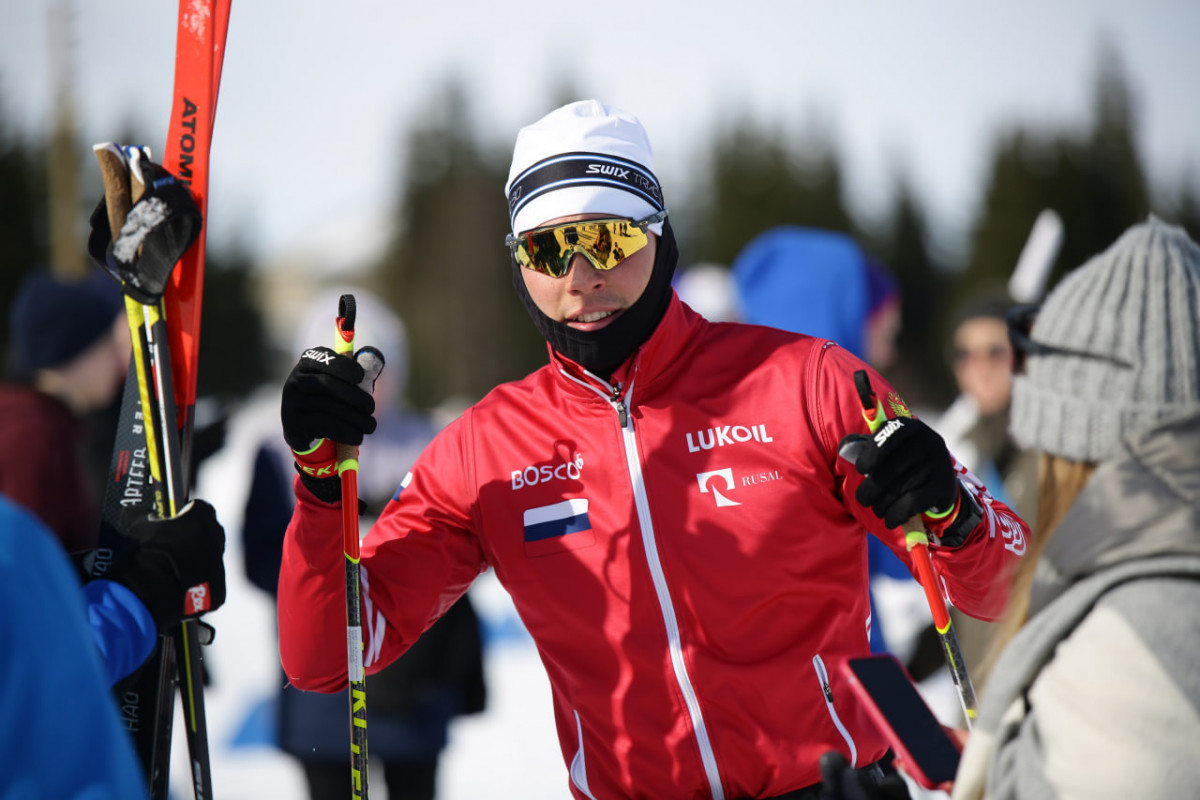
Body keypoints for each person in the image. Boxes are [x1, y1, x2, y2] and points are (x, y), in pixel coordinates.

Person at [276, 99, 1028, 799]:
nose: (580, 275)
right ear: (519, 263)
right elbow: (328, 657)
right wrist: (318, 488)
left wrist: (953, 512)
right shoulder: (487, 449)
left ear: (660, 234)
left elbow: (1008, 588)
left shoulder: (807, 380)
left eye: (609, 237)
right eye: (548, 250)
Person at [820, 216, 1200, 799]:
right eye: (964, 352)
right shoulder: (985, 453)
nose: (980, 366)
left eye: (999, 350)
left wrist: (995, 777)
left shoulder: (1141, 638)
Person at [243, 289, 485, 800]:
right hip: (327, 688)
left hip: (413, 677)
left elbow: (458, 551)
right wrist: (326, 574)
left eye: (381, 368)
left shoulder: (426, 439)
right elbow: (262, 555)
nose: (371, 387)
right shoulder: (279, 446)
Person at [729, 228, 941, 693]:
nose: (888, 351)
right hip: (837, 700)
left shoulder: (731, 430)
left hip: (847, 687)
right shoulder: (834, 438)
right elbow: (916, 546)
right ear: (836, 321)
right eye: (883, 332)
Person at [1, 266, 130, 553]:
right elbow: (25, 564)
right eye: (108, 345)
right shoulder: (32, 436)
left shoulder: (45, 425)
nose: (120, 360)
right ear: (73, 354)